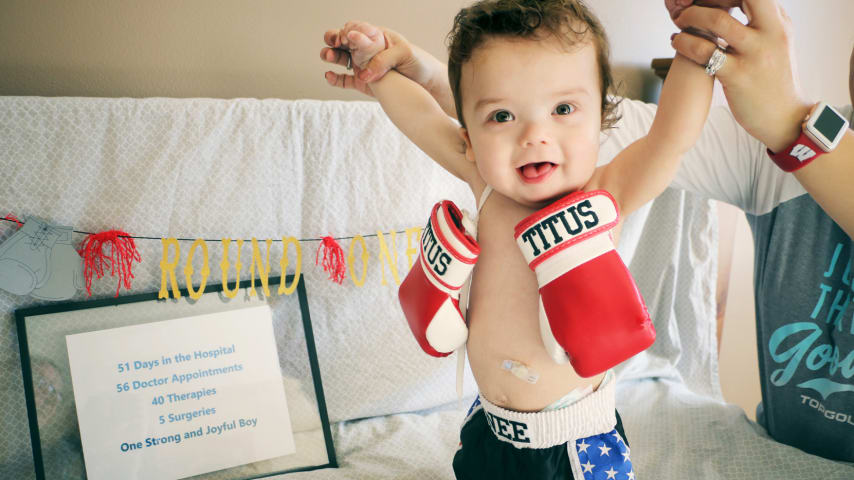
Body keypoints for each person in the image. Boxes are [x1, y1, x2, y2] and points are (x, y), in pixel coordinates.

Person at [320, 0, 854, 464]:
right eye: (502, 116)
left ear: (602, 120)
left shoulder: (602, 195)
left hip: (575, 445)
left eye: (563, 109)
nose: (535, 136)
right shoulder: (481, 182)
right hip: (490, 430)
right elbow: (419, 117)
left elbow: (671, 135)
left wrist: (702, 46)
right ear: (470, 134)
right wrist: (378, 71)